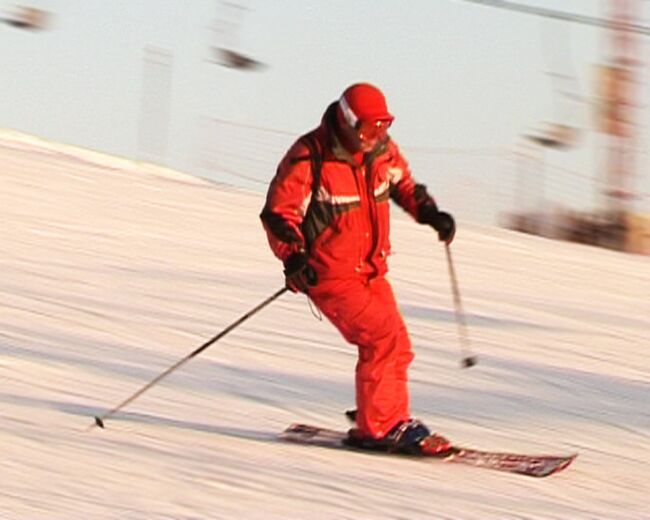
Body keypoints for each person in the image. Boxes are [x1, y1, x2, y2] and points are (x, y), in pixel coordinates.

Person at [260, 83, 456, 454]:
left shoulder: (383, 151)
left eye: (383, 126)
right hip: (330, 275)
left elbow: (404, 186)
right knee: (380, 339)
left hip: (371, 269)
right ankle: (380, 427)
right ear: (348, 122)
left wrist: (430, 214)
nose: (376, 136)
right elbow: (278, 214)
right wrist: (293, 257)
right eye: (368, 129)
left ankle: (378, 410)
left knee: (398, 343)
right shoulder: (309, 156)